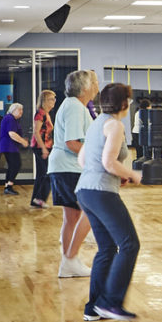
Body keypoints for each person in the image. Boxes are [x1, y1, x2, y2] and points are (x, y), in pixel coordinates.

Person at [75, 82, 144, 322]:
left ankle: (93, 307)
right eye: (129, 99)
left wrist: (116, 173)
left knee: (107, 248)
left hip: (85, 190)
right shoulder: (114, 125)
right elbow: (107, 162)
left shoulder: (97, 122)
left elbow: (83, 159)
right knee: (129, 244)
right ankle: (110, 302)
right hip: (101, 193)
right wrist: (132, 174)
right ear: (123, 103)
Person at [50, 70, 99, 278]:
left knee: (71, 217)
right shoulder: (75, 108)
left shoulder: (75, 106)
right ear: (86, 88)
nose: (97, 86)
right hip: (69, 168)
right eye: (95, 82)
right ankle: (70, 258)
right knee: (92, 211)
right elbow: (72, 143)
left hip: (66, 167)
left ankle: (69, 262)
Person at [29, 90, 56, 210]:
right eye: (51, 99)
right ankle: (40, 198)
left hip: (45, 147)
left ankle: (36, 200)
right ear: (44, 100)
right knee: (48, 173)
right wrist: (44, 149)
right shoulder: (40, 114)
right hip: (41, 147)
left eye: (54, 98)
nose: (54, 101)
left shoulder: (46, 113)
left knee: (41, 174)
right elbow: (36, 132)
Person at [0, 101, 27, 195]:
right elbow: (12, 134)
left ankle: (7, 186)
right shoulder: (10, 119)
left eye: (22, 110)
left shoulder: (10, 119)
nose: (21, 112)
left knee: (12, 166)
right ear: (13, 110)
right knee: (16, 165)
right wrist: (23, 141)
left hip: (9, 146)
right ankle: (9, 186)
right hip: (9, 147)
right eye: (20, 110)